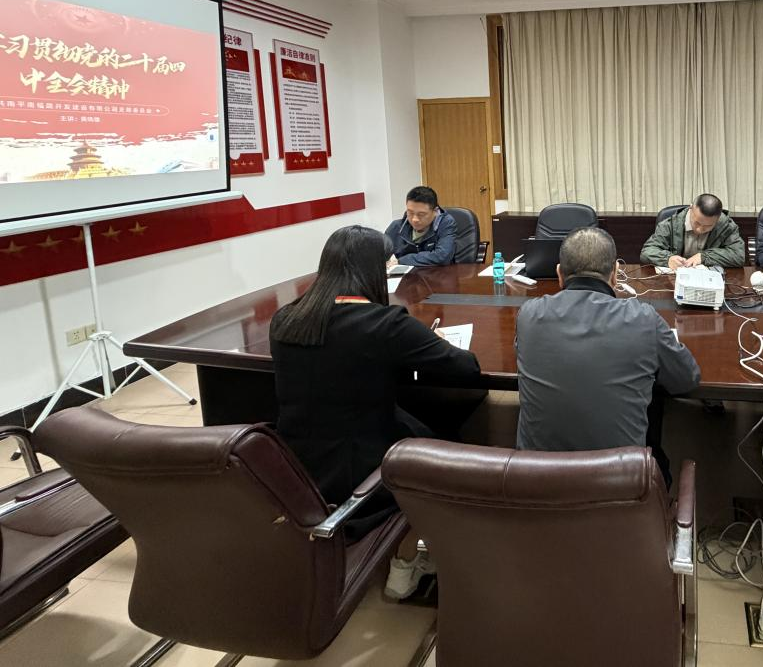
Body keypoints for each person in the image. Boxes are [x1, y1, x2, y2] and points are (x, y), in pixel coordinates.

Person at [270, 224, 481, 599]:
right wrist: (429, 340)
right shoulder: (385, 324)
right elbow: (466, 368)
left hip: (297, 462)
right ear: (373, 271)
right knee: (445, 442)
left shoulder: (286, 318)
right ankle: (404, 563)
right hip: (364, 461)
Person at [515, 227, 701, 485]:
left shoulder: (528, 314)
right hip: (620, 487)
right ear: (615, 273)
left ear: (559, 273)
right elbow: (687, 379)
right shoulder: (643, 318)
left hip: (536, 482)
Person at [640, 193, 746, 269]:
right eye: (697, 223)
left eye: (708, 226)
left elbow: (738, 256)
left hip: (709, 280)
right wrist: (667, 259)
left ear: (717, 219)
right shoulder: (671, 224)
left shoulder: (726, 226)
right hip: (674, 280)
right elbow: (647, 251)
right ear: (691, 208)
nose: (700, 229)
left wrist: (704, 257)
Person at [384, 185, 456, 267]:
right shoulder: (396, 226)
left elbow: (442, 257)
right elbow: (379, 253)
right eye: (410, 213)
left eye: (421, 214)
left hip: (437, 273)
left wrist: (401, 261)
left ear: (435, 211)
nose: (415, 219)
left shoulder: (446, 223)